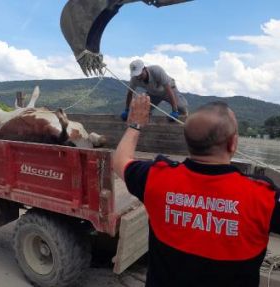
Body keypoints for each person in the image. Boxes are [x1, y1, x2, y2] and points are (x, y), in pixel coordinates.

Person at [113, 95, 280, 287]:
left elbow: (120, 161)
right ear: (233, 143)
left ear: (189, 143)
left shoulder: (156, 179)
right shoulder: (263, 197)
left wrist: (135, 125)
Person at [121, 59, 188, 122]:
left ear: (144, 69)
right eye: (136, 75)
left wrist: (175, 110)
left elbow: (168, 89)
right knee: (142, 111)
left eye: (140, 75)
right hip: (153, 94)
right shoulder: (134, 79)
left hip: (167, 91)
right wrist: (127, 110)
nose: (138, 77)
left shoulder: (156, 70)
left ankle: (185, 123)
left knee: (181, 107)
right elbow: (130, 93)